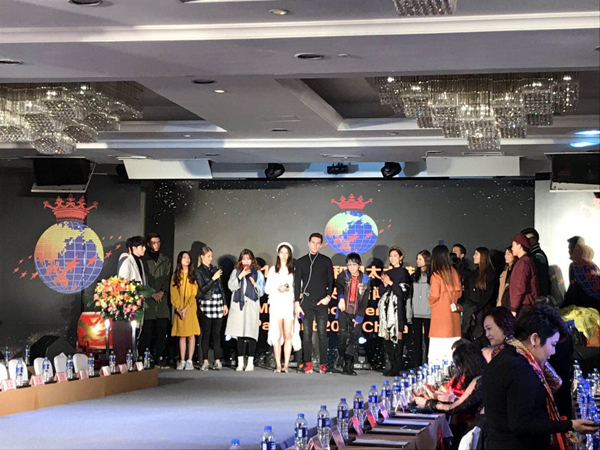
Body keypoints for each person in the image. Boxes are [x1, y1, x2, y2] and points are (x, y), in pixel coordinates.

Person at [482, 305, 598, 449]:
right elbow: (521, 425)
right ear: (535, 339)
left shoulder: (505, 355)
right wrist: (570, 425)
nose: (553, 352)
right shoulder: (520, 369)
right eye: (553, 344)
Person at [417, 341, 487, 448]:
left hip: (469, 426)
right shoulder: (478, 377)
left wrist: (429, 403)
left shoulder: (478, 382)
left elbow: (456, 407)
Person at [294, 233, 334, 374]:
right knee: (307, 334)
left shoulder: (326, 261)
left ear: (321, 245)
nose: (315, 245)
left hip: (322, 302)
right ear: (308, 243)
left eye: (318, 243)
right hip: (306, 303)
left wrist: (328, 297)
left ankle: (323, 364)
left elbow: (331, 281)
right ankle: (308, 363)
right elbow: (297, 284)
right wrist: (296, 303)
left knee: (322, 333)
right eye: (313, 242)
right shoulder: (301, 262)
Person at [226, 249, 265, 372]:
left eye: (248, 259)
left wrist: (255, 284)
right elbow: (230, 286)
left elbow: (262, 291)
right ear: (241, 260)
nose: (246, 261)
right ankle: (240, 362)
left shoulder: (258, 273)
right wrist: (240, 276)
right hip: (239, 305)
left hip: (252, 305)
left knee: (251, 333)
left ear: (252, 260)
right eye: (244, 259)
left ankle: (250, 363)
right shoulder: (236, 271)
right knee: (240, 334)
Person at [265, 243, 301, 373]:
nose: (284, 255)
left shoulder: (294, 270)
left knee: (288, 334)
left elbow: (299, 287)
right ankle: (278, 365)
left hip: (288, 304)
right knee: (277, 334)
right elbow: (267, 288)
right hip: (276, 304)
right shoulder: (272, 270)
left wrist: (288, 288)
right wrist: (278, 288)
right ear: (278, 254)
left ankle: (286, 365)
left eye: (287, 253)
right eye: (282, 253)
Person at [336, 252, 371, 376]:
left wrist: (359, 317)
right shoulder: (343, 275)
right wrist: (341, 298)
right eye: (349, 264)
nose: (351, 267)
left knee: (353, 338)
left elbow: (365, 300)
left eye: (354, 264)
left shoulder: (365, 279)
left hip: (356, 312)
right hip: (344, 310)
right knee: (342, 335)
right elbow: (339, 287)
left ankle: (348, 364)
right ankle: (341, 356)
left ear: (359, 265)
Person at [140, 233, 172, 369]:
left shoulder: (165, 260)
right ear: (148, 244)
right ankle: (144, 358)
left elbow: (168, 278)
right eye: (153, 242)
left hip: (162, 301)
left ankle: (160, 358)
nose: (156, 245)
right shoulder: (143, 260)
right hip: (148, 301)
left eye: (158, 242)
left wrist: (162, 292)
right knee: (147, 332)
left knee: (161, 331)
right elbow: (142, 280)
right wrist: (152, 293)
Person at [428, 245, 463, 364]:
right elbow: (459, 293)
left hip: (439, 319)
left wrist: (430, 301)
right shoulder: (454, 272)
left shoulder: (436, 275)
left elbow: (434, 296)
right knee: (452, 354)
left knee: (437, 356)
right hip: (454, 319)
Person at [378, 247, 410, 376]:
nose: (392, 258)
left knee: (398, 334)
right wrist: (385, 285)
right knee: (386, 336)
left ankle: (397, 366)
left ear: (401, 257)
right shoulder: (387, 272)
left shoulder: (403, 273)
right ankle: (392, 364)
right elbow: (381, 292)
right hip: (386, 309)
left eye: (395, 256)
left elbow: (403, 293)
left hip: (398, 308)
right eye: (390, 256)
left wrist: (391, 283)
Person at [195, 246, 228, 371]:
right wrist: (213, 278)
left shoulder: (214, 269)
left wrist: (224, 303)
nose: (210, 259)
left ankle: (217, 360)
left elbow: (221, 288)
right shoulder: (199, 271)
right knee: (206, 333)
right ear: (202, 257)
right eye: (208, 256)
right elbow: (202, 289)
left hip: (218, 301)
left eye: (211, 256)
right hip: (206, 303)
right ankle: (205, 361)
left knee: (217, 334)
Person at [170, 251, 200, 371]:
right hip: (179, 308)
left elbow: (194, 293)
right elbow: (173, 292)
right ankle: (182, 360)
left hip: (190, 308)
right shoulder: (176, 275)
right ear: (180, 260)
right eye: (184, 257)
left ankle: (189, 360)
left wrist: (186, 307)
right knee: (182, 335)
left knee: (191, 335)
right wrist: (178, 308)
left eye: (188, 257)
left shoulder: (193, 275)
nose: (187, 259)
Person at [463, 247, 497, 347]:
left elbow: (489, 295)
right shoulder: (473, 274)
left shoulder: (490, 274)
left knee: (483, 337)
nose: (474, 256)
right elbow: (468, 292)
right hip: (473, 311)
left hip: (484, 311)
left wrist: (477, 308)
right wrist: (471, 308)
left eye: (477, 254)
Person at [407, 250, 431, 367]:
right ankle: (417, 366)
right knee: (416, 341)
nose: (418, 261)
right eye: (417, 259)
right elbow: (409, 297)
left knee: (428, 341)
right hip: (416, 313)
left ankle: (428, 365)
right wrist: (409, 314)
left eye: (420, 259)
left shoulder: (432, 277)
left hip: (429, 314)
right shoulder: (413, 277)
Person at [564, 237, 599, 313]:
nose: (569, 251)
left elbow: (573, 288)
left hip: (589, 303)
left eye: (571, 248)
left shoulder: (575, 266)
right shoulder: (593, 265)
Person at [509, 233, 539, 316]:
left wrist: (514, 308)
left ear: (519, 245)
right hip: (524, 305)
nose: (512, 248)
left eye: (513, 245)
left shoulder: (523, 263)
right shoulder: (525, 261)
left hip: (523, 306)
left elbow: (520, 286)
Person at [521, 228, 551, 297]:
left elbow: (540, 279)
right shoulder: (533, 255)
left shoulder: (537, 256)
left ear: (532, 240)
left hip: (538, 296)